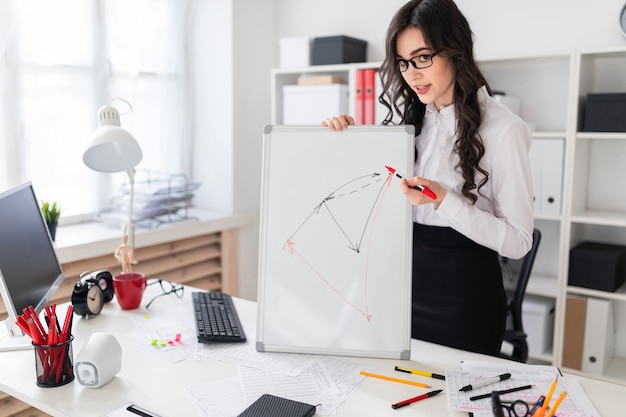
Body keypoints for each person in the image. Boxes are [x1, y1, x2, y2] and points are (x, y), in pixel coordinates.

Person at [322, 0, 534, 356]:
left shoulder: (505, 130)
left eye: (423, 58)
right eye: (404, 63)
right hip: (398, 289)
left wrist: (444, 202)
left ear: (456, 51)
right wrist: (349, 144)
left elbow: (518, 241)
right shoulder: (410, 124)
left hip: (465, 301)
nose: (412, 74)